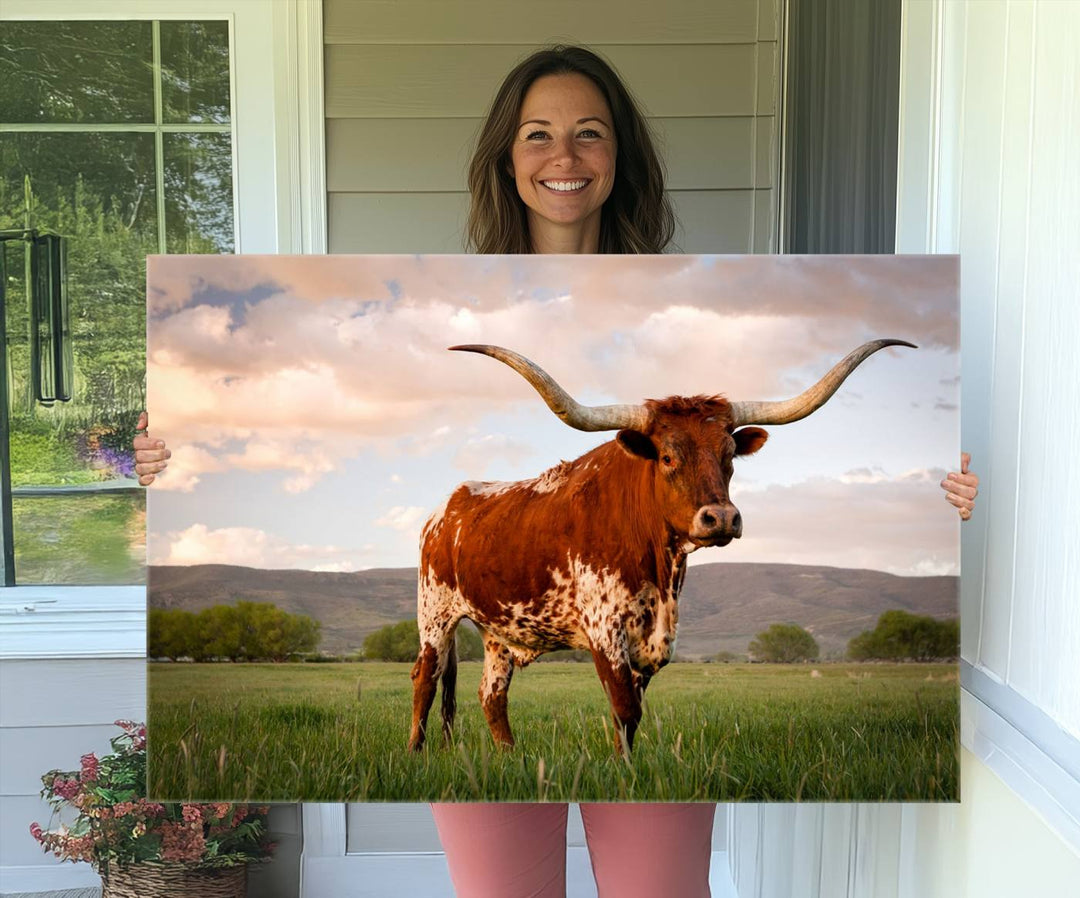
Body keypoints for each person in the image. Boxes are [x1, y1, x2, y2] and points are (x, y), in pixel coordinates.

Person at [135, 45, 979, 898]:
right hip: (484, 552)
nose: (564, 157)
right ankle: (436, 734)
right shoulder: (440, 290)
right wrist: (160, 455)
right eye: (537, 135)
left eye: (590, 134)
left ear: (621, 157)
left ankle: (624, 742)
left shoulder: (706, 285)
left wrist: (952, 494)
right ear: (507, 157)